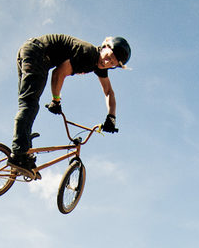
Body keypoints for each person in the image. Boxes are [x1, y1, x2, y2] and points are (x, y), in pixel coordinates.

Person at [9, 34, 131, 175]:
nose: (107, 63)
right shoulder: (89, 54)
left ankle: (23, 149)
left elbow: (109, 92)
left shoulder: (97, 64)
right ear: (105, 47)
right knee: (29, 104)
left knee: (27, 102)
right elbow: (58, 73)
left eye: (112, 64)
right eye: (109, 57)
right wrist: (56, 101)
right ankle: (19, 154)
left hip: (31, 50)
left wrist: (111, 117)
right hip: (38, 52)